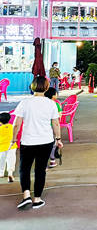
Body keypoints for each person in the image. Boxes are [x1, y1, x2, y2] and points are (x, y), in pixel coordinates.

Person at [11, 76, 61, 210]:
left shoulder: (25, 103)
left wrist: (14, 138)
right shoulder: (51, 103)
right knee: (40, 170)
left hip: (28, 141)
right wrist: (58, 139)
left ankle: (26, 195)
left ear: (32, 87)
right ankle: (37, 199)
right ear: (46, 88)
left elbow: (17, 123)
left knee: (24, 169)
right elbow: (55, 123)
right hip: (46, 141)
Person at [44, 87, 63, 168]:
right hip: (52, 127)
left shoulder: (43, 104)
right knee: (53, 144)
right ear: (53, 95)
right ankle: (52, 160)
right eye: (56, 93)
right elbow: (58, 118)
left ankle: (44, 165)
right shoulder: (56, 104)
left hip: (43, 126)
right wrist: (58, 138)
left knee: (43, 145)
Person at [0, 112, 17, 182]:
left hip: (1, 147)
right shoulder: (12, 127)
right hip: (11, 146)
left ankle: (1, 173)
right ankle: (10, 173)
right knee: (11, 160)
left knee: (1, 160)